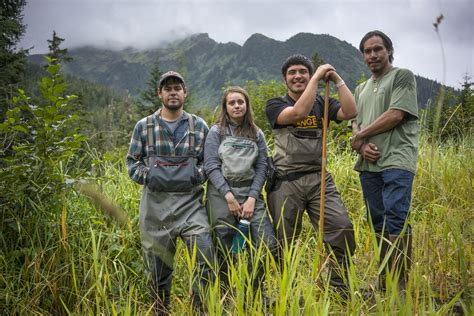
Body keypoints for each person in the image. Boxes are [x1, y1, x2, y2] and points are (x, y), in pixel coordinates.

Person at [265, 54, 357, 291]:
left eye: (303, 72)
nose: (298, 76)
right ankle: (291, 291)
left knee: (342, 228)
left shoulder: (324, 102)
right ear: (284, 79)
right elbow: (298, 114)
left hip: (319, 179)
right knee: (284, 242)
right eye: (292, 72)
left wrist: (337, 80)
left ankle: (338, 286)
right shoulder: (276, 104)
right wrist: (317, 76)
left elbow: (350, 112)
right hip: (286, 181)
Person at [126, 71, 215, 314]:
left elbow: (208, 163)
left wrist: (191, 176)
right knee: (157, 271)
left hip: (191, 206)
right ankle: (160, 311)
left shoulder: (199, 125)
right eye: (168, 89)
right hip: (155, 209)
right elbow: (132, 163)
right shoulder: (143, 127)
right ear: (160, 94)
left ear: (185, 93)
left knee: (205, 259)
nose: (173, 92)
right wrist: (153, 176)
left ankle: (201, 310)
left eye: (177, 88)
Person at [351, 30, 419, 291]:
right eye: (367, 51)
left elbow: (396, 114)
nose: (373, 55)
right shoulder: (360, 88)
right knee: (377, 220)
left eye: (378, 49)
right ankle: (384, 282)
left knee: (395, 218)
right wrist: (361, 145)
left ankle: (399, 287)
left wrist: (360, 137)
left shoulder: (402, 76)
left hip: (397, 160)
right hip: (369, 165)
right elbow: (355, 123)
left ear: (389, 50)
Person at [204, 86, 277, 304]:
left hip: (251, 194)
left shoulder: (257, 133)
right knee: (224, 246)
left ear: (247, 105)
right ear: (225, 107)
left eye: (241, 102)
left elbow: (263, 166)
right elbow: (210, 165)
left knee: (267, 244)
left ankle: (253, 294)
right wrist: (228, 196)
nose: (237, 106)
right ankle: (225, 296)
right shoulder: (216, 132)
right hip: (221, 195)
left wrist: (253, 197)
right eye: (232, 102)